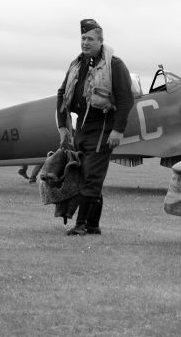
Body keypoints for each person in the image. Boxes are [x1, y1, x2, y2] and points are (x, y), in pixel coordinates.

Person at [55, 18, 134, 236]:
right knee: (84, 175)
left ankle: (80, 225)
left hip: (103, 128)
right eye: (83, 38)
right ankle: (93, 225)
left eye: (90, 39)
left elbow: (126, 99)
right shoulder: (77, 64)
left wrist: (118, 130)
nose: (85, 42)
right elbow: (63, 93)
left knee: (92, 177)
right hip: (82, 127)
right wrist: (63, 126)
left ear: (101, 41)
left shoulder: (115, 65)